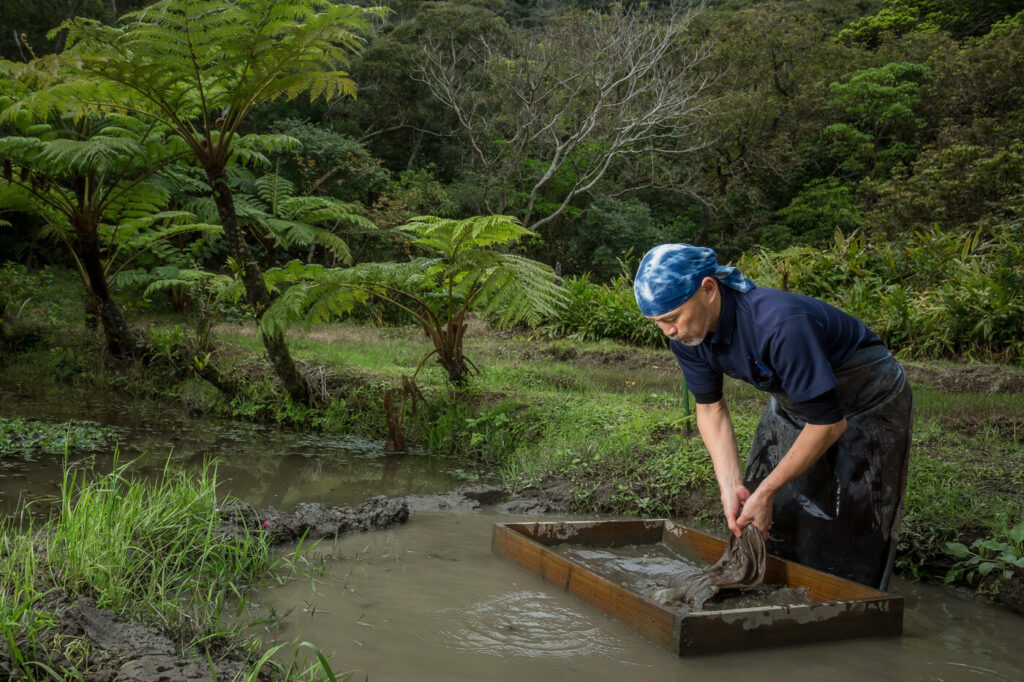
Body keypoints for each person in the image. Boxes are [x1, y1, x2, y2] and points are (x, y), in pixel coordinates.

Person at [634, 243, 913, 589]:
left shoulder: (778, 325)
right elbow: (710, 408)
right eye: (657, 323)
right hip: (795, 401)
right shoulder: (688, 338)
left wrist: (765, 493)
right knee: (761, 503)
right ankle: (775, 588)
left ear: (708, 289)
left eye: (672, 318)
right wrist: (730, 486)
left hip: (867, 394)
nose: (668, 331)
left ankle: (848, 598)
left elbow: (828, 423)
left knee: (850, 511)